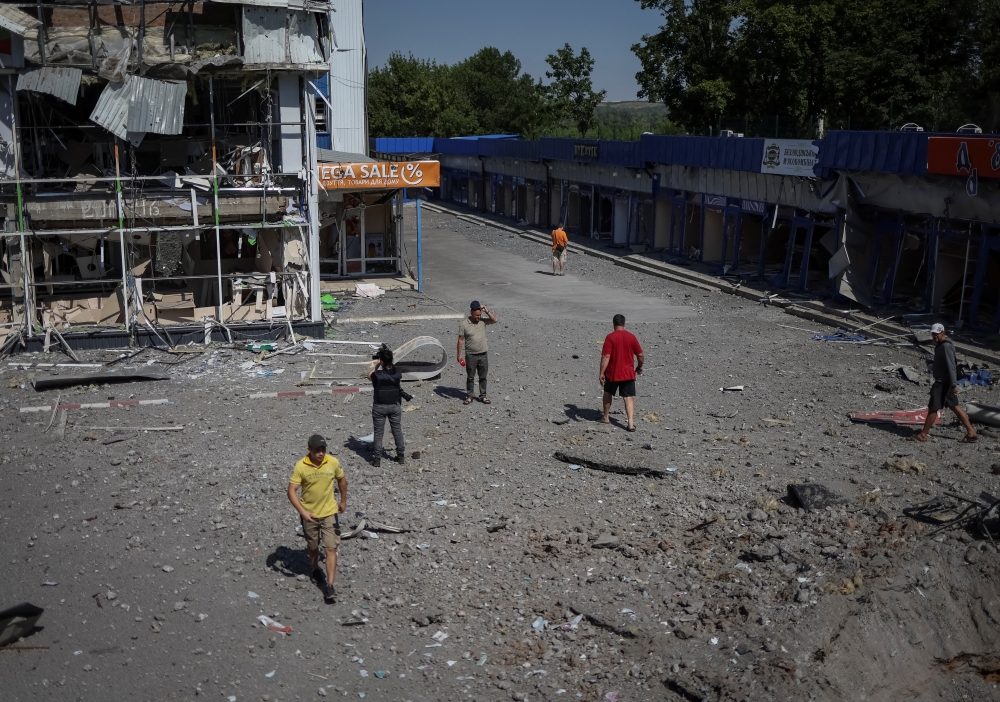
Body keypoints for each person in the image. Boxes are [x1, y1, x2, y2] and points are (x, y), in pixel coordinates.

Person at [287, 434, 347, 603]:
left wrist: (343, 500)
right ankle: (314, 569)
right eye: (317, 450)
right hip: (310, 514)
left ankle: (330, 585)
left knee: (330, 548)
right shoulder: (301, 466)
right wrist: (303, 512)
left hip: (329, 512)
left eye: (323, 450)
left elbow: (342, 480)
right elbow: (291, 491)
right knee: (313, 546)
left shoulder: (332, 462)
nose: (321, 454)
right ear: (309, 450)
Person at [911, 323, 977, 443]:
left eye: (936, 334)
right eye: (933, 334)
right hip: (946, 382)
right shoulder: (943, 344)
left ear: (943, 333)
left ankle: (923, 435)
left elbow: (951, 366)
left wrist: (953, 385)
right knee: (954, 406)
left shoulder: (945, 347)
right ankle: (971, 432)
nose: (934, 336)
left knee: (933, 408)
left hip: (943, 383)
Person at [599, 314, 644, 432]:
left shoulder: (610, 337)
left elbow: (606, 356)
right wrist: (639, 366)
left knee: (608, 392)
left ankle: (606, 417)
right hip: (628, 373)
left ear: (614, 324)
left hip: (613, 372)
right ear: (624, 324)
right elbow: (640, 355)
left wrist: (601, 372)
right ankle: (630, 423)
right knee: (628, 397)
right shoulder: (631, 337)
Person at [368, 344, 405, 467]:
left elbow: (369, 375)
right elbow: (392, 369)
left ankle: (377, 459)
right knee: (397, 431)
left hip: (379, 406)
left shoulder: (377, 376)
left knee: (378, 433)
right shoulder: (397, 374)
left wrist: (377, 364)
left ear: (382, 361)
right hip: (394, 405)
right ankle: (401, 456)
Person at [457, 300, 498, 405]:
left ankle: (483, 396)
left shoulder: (483, 321)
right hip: (471, 355)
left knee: (483, 376)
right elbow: (460, 340)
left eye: (480, 315)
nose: (478, 317)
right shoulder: (464, 324)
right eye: (476, 315)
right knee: (470, 376)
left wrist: (487, 311)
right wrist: (459, 355)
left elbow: (495, 320)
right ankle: (470, 396)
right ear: (471, 312)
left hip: (483, 353)